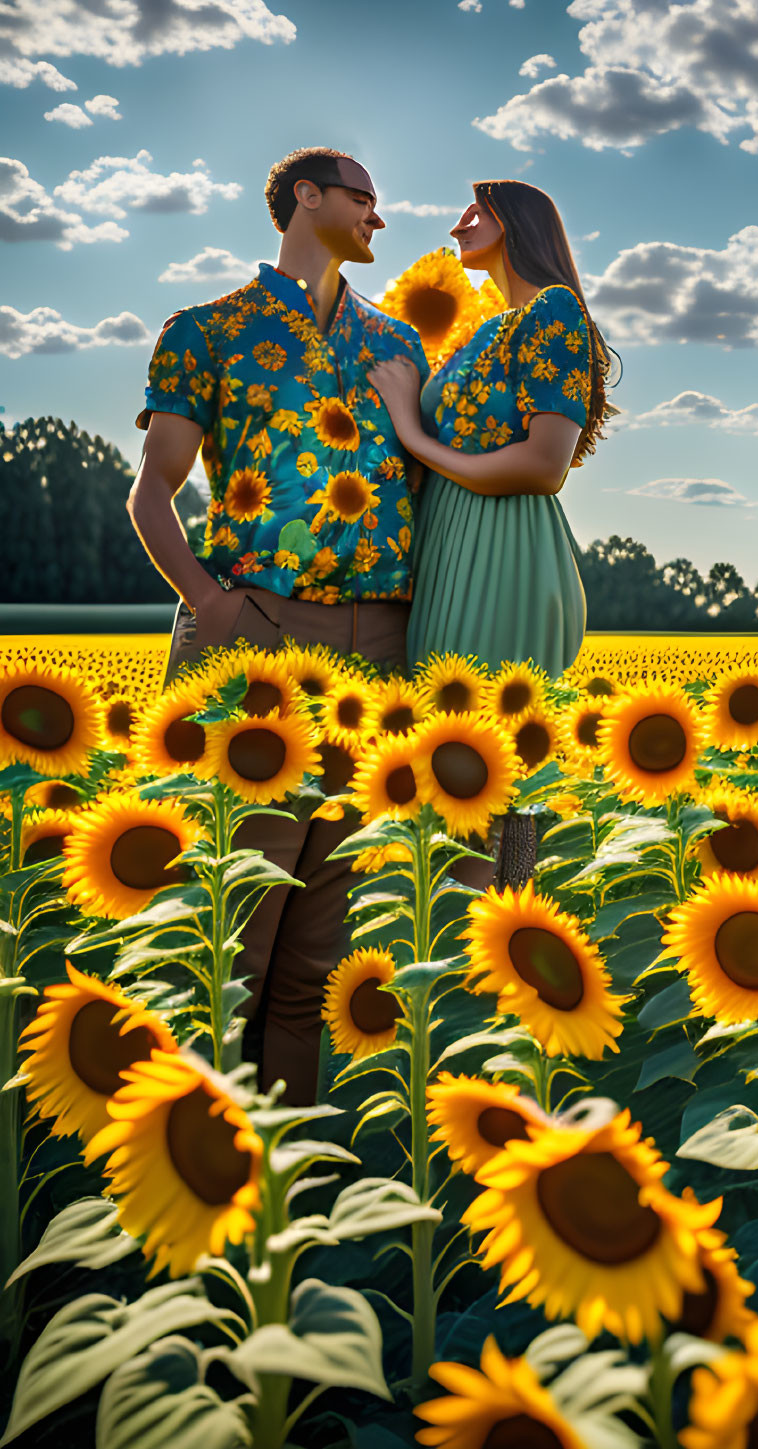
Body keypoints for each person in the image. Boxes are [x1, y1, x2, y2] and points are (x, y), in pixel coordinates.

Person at [126, 145, 430, 1106]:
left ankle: (287, 1186)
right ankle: (196, 1183)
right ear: (305, 196)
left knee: (319, 950)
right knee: (228, 936)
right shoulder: (208, 330)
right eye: (362, 197)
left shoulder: (397, 344)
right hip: (257, 637)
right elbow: (154, 491)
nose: (378, 218)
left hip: (377, 649)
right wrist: (213, 607)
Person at [367, 178, 619, 887]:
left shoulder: (555, 311)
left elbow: (544, 466)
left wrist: (415, 435)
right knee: (449, 773)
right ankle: (459, 952)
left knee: (486, 768)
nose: (457, 225)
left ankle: (488, 951)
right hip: (452, 551)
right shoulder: (485, 329)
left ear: (518, 223)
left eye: (475, 211)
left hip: (505, 552)